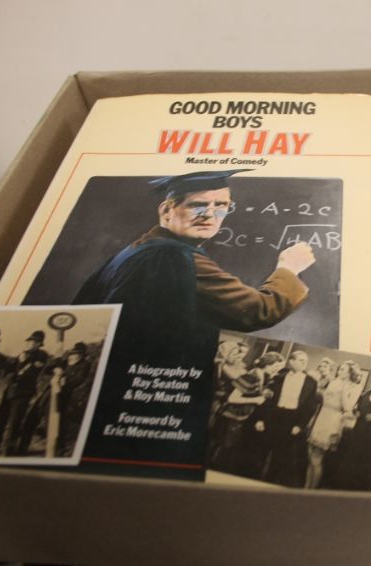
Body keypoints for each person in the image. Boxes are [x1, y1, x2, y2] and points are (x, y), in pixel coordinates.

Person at [70, 170, 315, 464]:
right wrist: (288, 269)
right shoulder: (175, 257)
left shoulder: (130, 253)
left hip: (111, 395)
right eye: (198, 205)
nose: (210, 215)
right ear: (167, 210)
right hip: (154, 402)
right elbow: (260, 310)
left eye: (221, 206)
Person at [207, 350, 285, 474]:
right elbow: (232, 398)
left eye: (279, 368)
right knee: (220, 452)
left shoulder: (263, 377)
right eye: (276, 366)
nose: (277, 370)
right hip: (230, 419)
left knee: (226, 454)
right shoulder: (251, 376)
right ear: (267, 364)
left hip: (239, 420)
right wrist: (256, 399)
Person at [256, 350, 318, 487]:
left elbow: (310, 407)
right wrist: (260, 419)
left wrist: (300, 425)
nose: (304, 363)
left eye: (305, 361)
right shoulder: (279, 377)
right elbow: (267, 400)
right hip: (273, 416)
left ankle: (269, 484)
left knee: (280, 456)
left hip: (291, 420)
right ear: (291, 361)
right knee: (262, 450)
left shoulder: (311, 382)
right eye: (301, 360)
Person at [0, 330, 49, 455]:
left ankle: (8, 450)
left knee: (14, 422)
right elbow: (10, 369)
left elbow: (33, 370)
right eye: (29, 341)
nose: (30, 344)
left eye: (33, 342)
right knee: (1, 419)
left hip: (23, 393)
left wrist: (22, 361)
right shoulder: (21, 354)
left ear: (39, 344)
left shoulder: (41, 355)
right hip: (10, 391)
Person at [304, 359, 361, 489]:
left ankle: (311, 490)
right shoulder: (333, 382)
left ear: (350, 373)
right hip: (322, 416)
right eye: (340, 368)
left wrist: (345, 390)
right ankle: (306, 487)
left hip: (333, 420)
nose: (339, 371)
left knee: (317, 458)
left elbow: (347, 408)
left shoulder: (354, 387)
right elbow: (323, 401)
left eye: (343, 369)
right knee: (310, 455)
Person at [56, 342, 94, 457]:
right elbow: (49, 369)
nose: (72, 356)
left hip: (69, 396)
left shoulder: (84, 365)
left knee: (61, 420)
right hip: (54, 393)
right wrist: (57, 365)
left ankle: (60, 448)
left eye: (76, 354)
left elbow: (79, 379)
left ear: (82, 355)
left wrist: (65, 383)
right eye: (71, 353)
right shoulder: (66, 362)